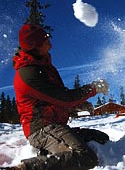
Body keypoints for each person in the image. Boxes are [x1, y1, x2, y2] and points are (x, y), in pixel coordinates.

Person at [5, 24, 110, 170]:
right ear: (35, 46)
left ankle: (49, 152)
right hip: (41, 129)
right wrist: (93, 88)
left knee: (101, 138)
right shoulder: (29, 74)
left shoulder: (43, 66)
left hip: (56, 125)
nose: (50, 43)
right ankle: (23, 168)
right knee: (85, 157)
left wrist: (78, 105)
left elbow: (54, 98)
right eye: (45, 40)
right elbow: (64, 98)